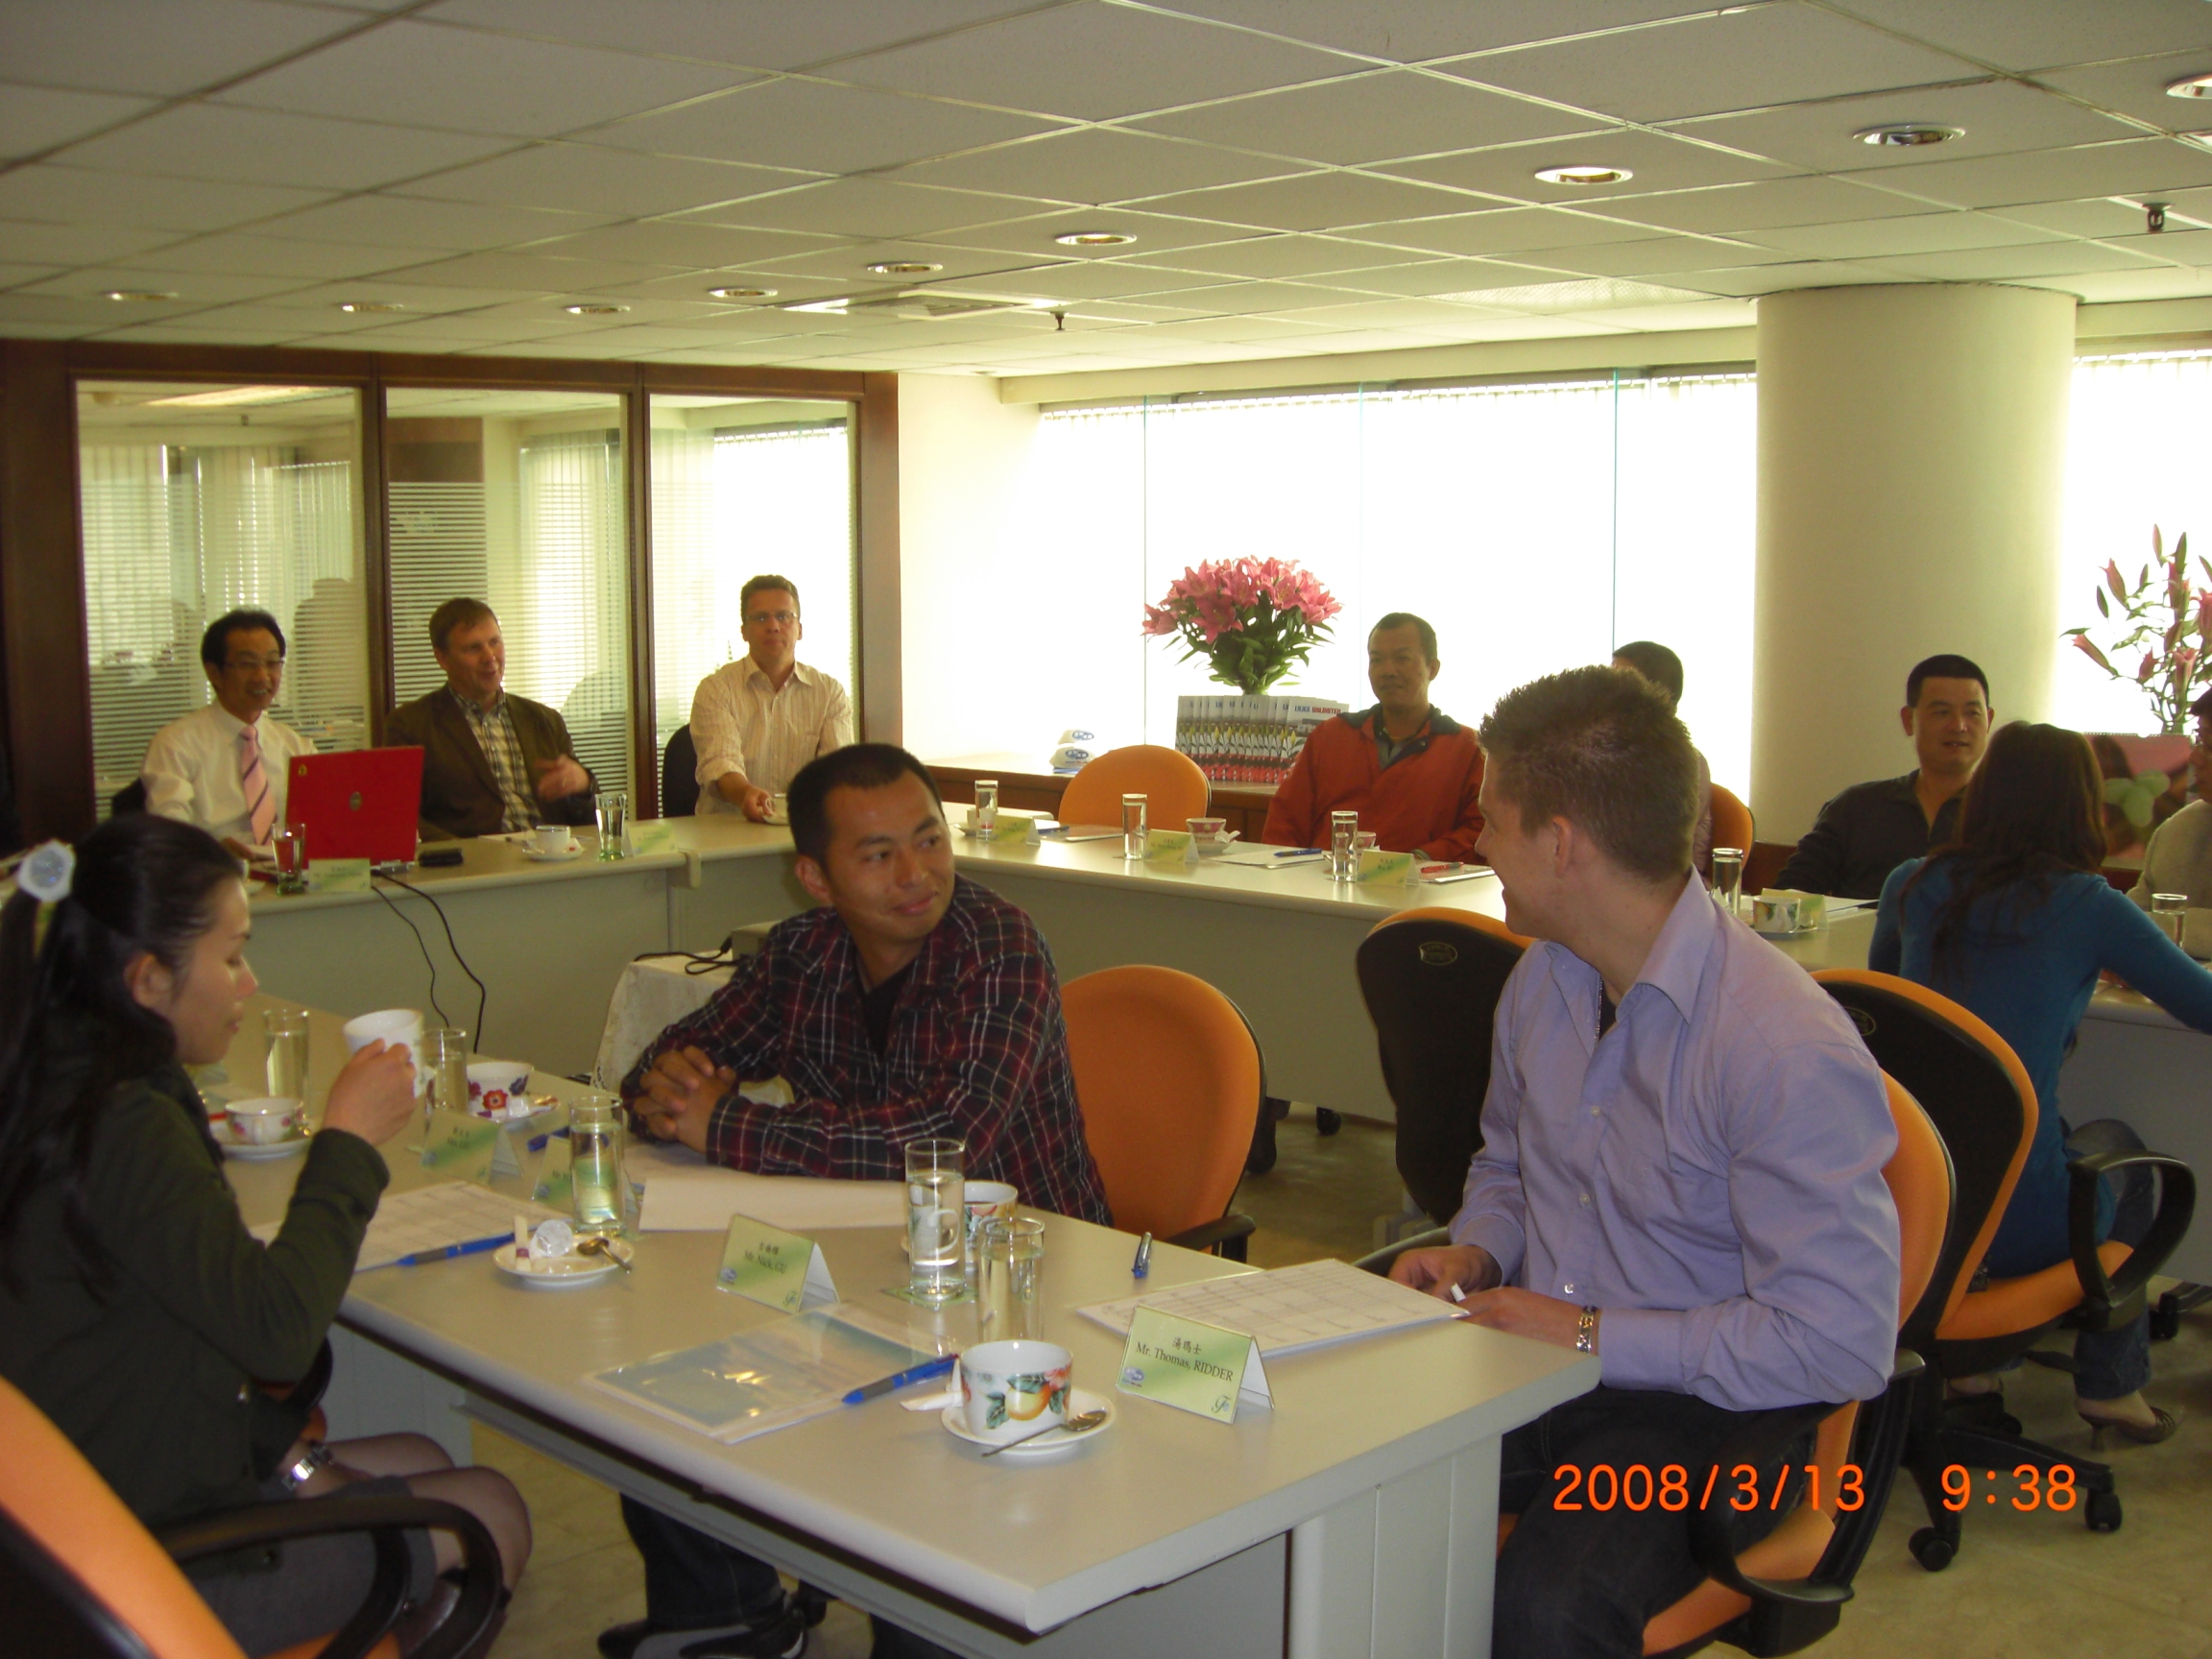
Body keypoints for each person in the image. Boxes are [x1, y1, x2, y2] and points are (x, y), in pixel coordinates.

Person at [1389, 665, 1900, 1659]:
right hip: (1538, 1364)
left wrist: (1585, 1333)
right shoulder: (1543, 982)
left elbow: (1838, 1344)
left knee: (1545, 1610)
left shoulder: (1780, 1047)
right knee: (1319, 1476)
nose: (1478, 844)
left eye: (1490, 821)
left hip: (1706, 1415)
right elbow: (1508, 1166)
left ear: (1561, 844)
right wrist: (1480, 1252)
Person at [610, 743, 1110, 1659]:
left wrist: (728, 1126)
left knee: (920, 1518)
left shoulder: (998, 948)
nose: (917, 874)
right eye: (879, 855)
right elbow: (661, 1067)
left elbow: (948, 1143)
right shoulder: (802, 954)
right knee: (662, 1381)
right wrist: (676, 1093)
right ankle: (731, 1617)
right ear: (816, 877)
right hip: (851, 1261)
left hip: (1016, 1280)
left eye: (930, 839)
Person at [0, 814, 533, 1654]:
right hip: (150, 1562)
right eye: (233, 957)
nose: (250, 984)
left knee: (423, 1452)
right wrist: (348, 1142)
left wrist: (296, 1465)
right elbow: (279, 1337)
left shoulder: (54, 1076)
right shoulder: (126, 1125)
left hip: (65, 1527)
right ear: (148, 980)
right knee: (491, 1509)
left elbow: (178, 1338)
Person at [1872, 720, 2212, 1445]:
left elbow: (1884, 1003)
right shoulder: (2090, 905)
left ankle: (1973, 1369)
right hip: (2020, 1221)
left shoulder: (1911, 883)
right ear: (2081, 806)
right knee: (2122, 1151)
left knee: (2019, 1135)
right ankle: (2112, 1387)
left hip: (1905, 1201)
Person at [1261, 613, 1484, 860]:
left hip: (1417, 879)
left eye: (1402, 658)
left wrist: (1420, 859)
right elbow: (1284, 822)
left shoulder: (1466, 748)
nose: (1387, 671)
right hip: (1323, 877)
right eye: (1376, 660)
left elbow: (1480, 831)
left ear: (1432, 668)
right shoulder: (1332, 737)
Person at [1776, 653, 1992, 899]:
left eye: (1972, 713)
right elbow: (1788, 895)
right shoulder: (1856, 807)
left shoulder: (2008, 813)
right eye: (1942, 712)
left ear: (1989, 721)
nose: (1958, 726)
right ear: (1908, 720)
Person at [386, 597, 596, 841]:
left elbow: (589, 819)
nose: (490, 657)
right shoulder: (411, 725)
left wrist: (583, 785)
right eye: (473, 648)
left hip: (549, 853)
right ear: (442, 659)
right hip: (473, 859)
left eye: (495, 642)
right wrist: (462, 852)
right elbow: (400, 815)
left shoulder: (544, 720)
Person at [140, 609, 319, 859]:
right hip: (215, 872)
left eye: (271, 663)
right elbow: (170, 829)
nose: (262, 676)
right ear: (214, 673)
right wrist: (210, 851)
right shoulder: (176, 744)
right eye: (247, 664)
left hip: (292, 873)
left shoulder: (297, 747)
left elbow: (326, 822)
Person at [690, 575, 854, 820]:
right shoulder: (716, 689)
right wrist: (746, 795)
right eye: (760, 618)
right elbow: (720, 762)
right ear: (744, 632)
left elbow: (836, 772)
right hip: (729, 827)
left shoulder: (830, 693)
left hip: (802, 827)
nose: (773, 626)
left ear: (800, 630)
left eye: (784, 616)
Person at [1610, 639, 1714, 876]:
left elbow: (1637, 845)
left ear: (1658, 694)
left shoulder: (1684, 762)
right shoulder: (1611, 752)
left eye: (1619, 683)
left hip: (1660, 886)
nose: (1606, 691)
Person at [2129, 687, 2212, 912]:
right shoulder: (2181, 829)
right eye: (2200, 740)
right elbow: (2135, 918)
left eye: (2210, 746)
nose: (2194, 758)